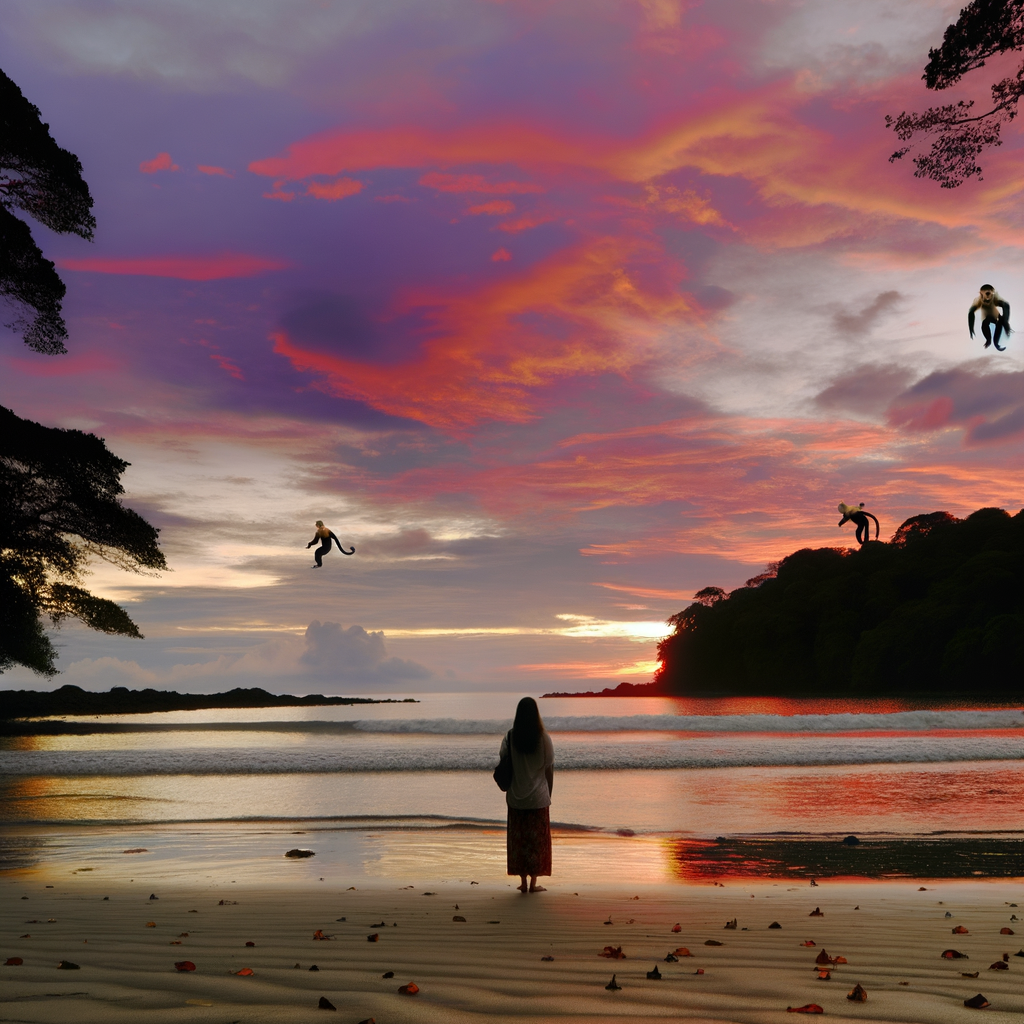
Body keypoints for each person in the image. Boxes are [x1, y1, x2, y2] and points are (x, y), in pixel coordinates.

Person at [499, 696, 554, 893]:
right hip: (538, 797)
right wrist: (549, 792)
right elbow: (548, 768)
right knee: (537, 842)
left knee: (519, 841)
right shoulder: (543, 738)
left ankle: (522, 883)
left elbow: (504, 760)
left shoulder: (511, 737)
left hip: (516, 797)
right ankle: (533, 884)